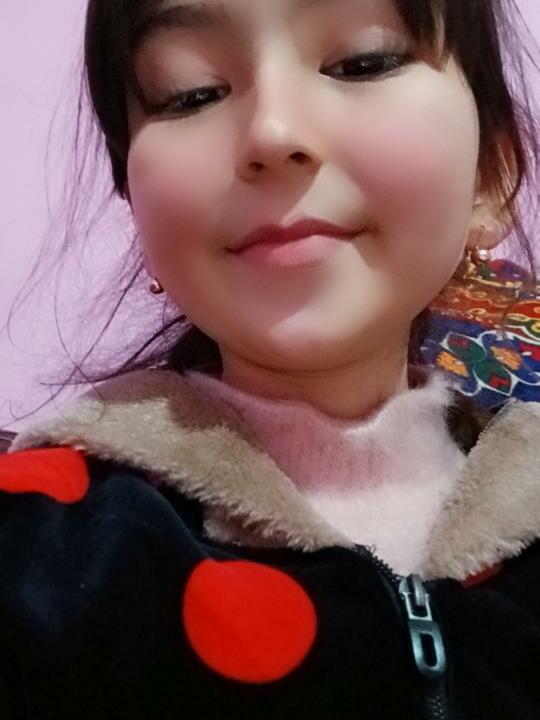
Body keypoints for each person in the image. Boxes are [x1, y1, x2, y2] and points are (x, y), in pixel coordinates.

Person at [1, 0, 540, 718]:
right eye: (191, 93)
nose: (273, 132)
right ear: (138, 208)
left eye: (364, 61)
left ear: (490, 173)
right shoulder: (44, 542)